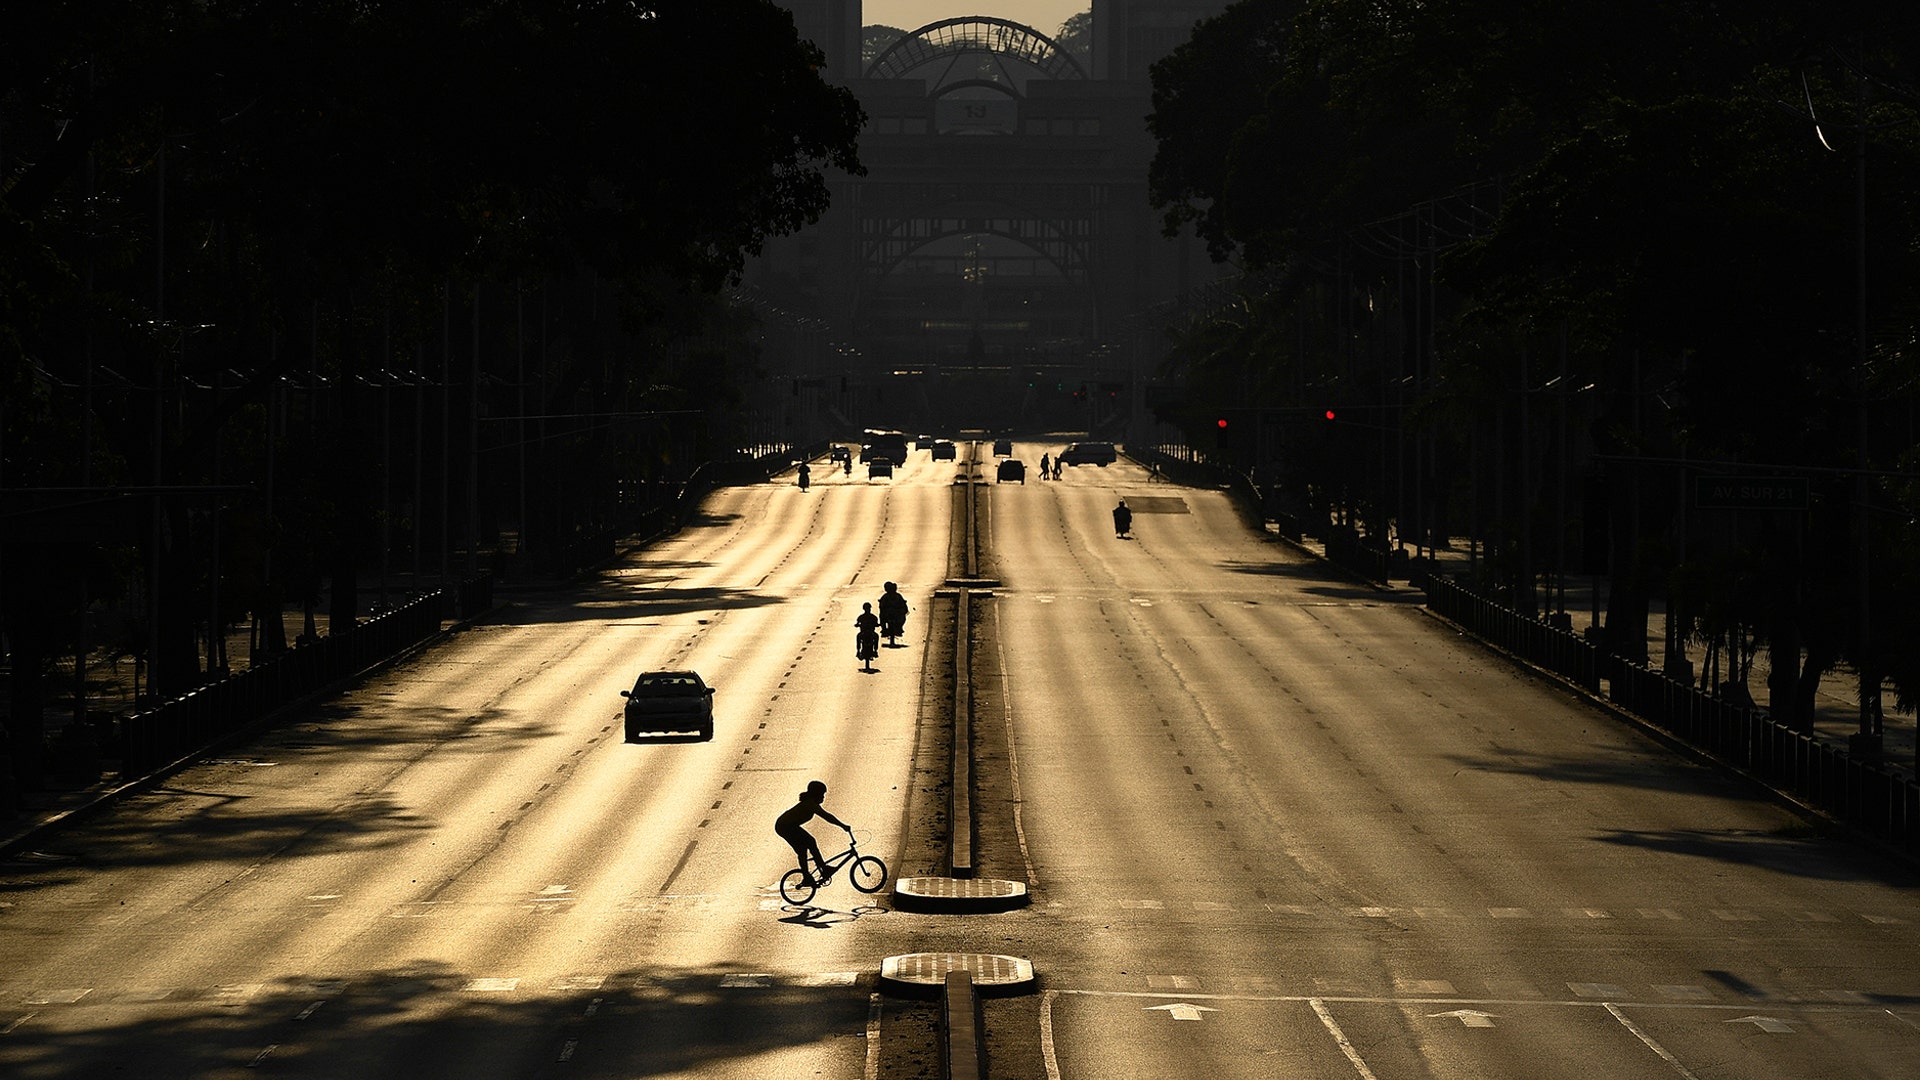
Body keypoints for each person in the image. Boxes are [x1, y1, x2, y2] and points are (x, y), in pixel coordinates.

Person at [775, 780, 851, 887]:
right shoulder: (810, 804)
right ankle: (818, 872)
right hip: (784, 826)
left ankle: (815, 872)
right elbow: (827, 816)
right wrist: (843, 825)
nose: (823, 797)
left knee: (806, 845)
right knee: (807, 844)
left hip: (789, 826)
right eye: (822, 794)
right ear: (816, 794)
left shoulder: (811, 803)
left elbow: (827, 816)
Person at [855, 601, 880, 668]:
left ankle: (875, 650)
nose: (867, 610)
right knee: (858, 637)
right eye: (866, 608)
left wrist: (877, 625)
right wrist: (857, 625)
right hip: (863, 632)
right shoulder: (861, 617)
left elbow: (876, 623)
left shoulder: (873, 617)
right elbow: (857, 622)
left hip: (871, 632)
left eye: (868, 608)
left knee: (876, 636)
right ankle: (858, 650)